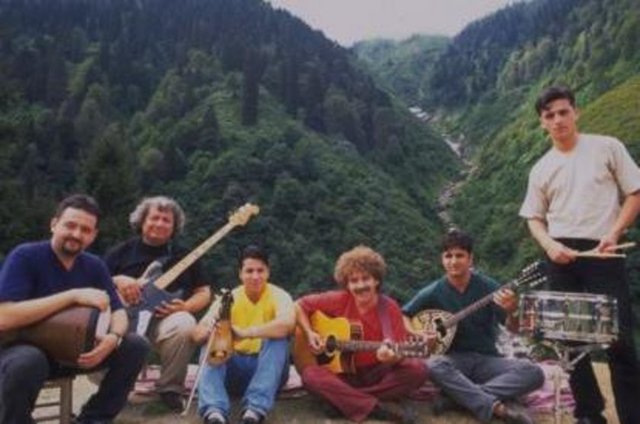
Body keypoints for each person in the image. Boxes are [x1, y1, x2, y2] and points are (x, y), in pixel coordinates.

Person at [519, 85, 640, 424]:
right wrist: (549, 245)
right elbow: (534, 217)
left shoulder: (607, 147)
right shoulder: (541, 168)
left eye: (563, 112)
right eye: (550, 115)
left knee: (619, 339)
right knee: (568, 340)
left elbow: (635, 192)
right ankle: (589, 414)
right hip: (560, 253)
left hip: (605, 250)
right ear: (542, 122)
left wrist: (613, 233)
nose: (558, 120)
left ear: (576, 112)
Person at [0, 194, 150, 424]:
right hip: (24, 352)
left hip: (79, 353)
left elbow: (118, 312)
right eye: (70, 225)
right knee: (28, 362)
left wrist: (113, 337)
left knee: (136, 345)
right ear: (54, 224)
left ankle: (93, 419)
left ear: (93, 235)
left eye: (85, 230)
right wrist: (72, 296)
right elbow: (4, 317)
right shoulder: (25, 256)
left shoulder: (94, 265)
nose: (77, 234)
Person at [402, 230, 544, 424]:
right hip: (453, 362)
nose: (453, 261)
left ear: (470, 258)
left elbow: (513, 329)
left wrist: (512, 310)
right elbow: (404, 314)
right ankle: (491, 403)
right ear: (442, 259)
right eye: (448, 256)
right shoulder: (434, 290)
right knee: (433, 365)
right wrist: (418, 333)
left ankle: (460, 399)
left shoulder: (489, 287)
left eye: (459, 255)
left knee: (533, 373)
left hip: (487, 359)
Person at [296, 245, 428, 423]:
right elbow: (299, 305)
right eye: (354, 281)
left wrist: (391, 358)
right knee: (310, 376)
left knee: (418, 370)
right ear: (347, 284)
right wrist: (310, 333)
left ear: (376, 280)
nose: (360, 286)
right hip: (342, 375)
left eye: (366, 279)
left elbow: (398, 353)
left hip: (377, 373)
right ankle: (375, 406)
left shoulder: (389, 308)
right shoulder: (339, 299)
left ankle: (346, 401)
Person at [104, 196, 212, 411]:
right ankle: (113, 387)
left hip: (164, 319)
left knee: (185, 323)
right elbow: (94, 283)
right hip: (124, 318)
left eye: (166, 220)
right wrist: (118, 280)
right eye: (154, 218)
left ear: (174, 226)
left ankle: (170, 389)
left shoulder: (185, 256)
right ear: (142, 221)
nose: (160, 224)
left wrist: (186, 307)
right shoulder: (120, 252)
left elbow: (204, 292)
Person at [192, 245, 294, 424]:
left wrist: (247, 333)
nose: (255, 276)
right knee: (210, 341)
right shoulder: (228, 298)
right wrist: (208, 330)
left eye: (260, 270)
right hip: (234, 369)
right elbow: (197, 333)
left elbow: (287, 325)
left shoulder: (280, 295)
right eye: (249, 271)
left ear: (268, 272)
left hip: (268, 370)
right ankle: (214, 412)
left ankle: (254, 411)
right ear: (240, 273)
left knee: (278, 340)